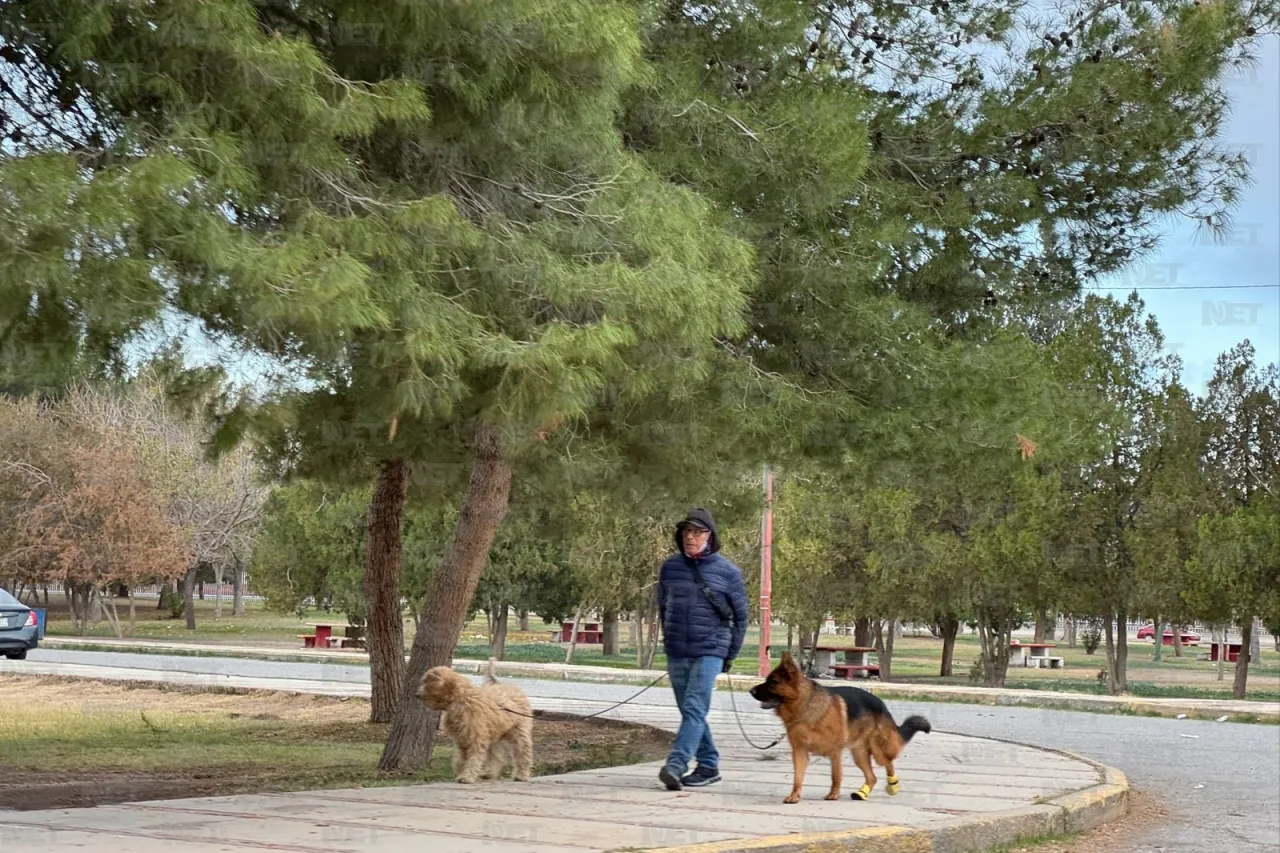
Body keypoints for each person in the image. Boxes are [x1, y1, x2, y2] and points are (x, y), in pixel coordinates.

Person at [654, 507, 749, 790]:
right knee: (690, 711)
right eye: (686, 531)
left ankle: (676, 764)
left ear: (710, 535)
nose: (690, 537)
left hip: (711, 649)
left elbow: (741, 618)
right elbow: (663, 607)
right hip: (677, 650)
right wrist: (668, 640)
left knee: (695, 707)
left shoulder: (728, 572)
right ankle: (708, 765)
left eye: (697, 532)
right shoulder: (670, 568)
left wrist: (729, 655)